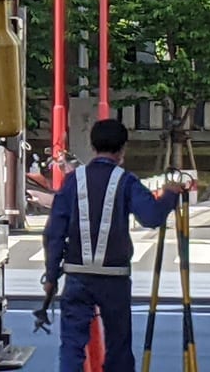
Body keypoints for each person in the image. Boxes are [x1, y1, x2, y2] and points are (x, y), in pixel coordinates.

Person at [42, 118, 184, 372]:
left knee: (72, 346)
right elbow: (151, 217)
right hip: (114, 277)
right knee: (118, 345)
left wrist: (52, 275)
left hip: (77, 276)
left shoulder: (74, 181)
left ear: (93, 146)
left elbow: (54, 232)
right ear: (122, 149)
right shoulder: (126, 181)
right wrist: (170, 195)